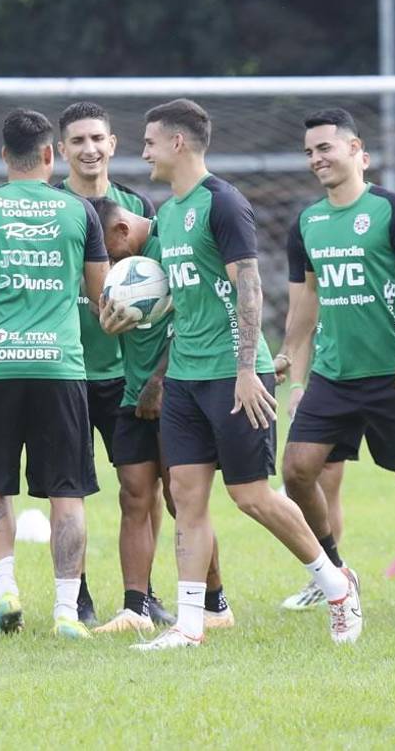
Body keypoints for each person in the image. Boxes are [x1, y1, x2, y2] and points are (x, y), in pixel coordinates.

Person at [123, 98, 362, 650]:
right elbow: (169, 294)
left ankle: (335, 583)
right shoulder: (169, 213)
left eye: (151, 142)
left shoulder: (223, 203)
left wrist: (247, 370)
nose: (145, 152)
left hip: (235, 377)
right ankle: (189, 625)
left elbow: (249, 286)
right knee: (185, 496)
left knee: (251, 496)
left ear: (178, 143)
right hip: (185, 376)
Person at [274, 107, 395, 621]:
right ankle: (334, 573)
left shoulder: (392, 209)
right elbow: (307, 299)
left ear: (357, 151)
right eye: (309, 151)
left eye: (325, 148)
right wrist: (293, 360)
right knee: (297, 471)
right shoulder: (307, 223)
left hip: (394, 372)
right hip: (334, 373)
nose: (316, 159)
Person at [0, 109, 109, 639]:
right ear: (50, 155)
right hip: (59, 365)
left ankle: (6, 590)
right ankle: (65, 612)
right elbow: (103, 297)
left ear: (2, 156)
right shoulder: (79, 211)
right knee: (67, 491)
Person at [89, 197, 233, 634]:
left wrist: (160, 381)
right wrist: (105, 321)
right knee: (133, 494)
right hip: (132, 391)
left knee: (180, 499)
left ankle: (216, 603)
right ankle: (136, 608)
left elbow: (196, 319)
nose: (107, 265)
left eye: (109, 254)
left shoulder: (173, 245)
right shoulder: (117, 266)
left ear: (118, 232)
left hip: (176, 388)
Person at [56, 100, 172, 627]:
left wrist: (156, 375)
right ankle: (75, 594)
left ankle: (142, 596)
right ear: (61, 150)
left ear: (113, 145)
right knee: (67, 491)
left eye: (97, 138)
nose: (89, 149)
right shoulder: (47, 209)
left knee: (140, 490)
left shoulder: (137, 207)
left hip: (126, 378)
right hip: (65, 372)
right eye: (77, 140)